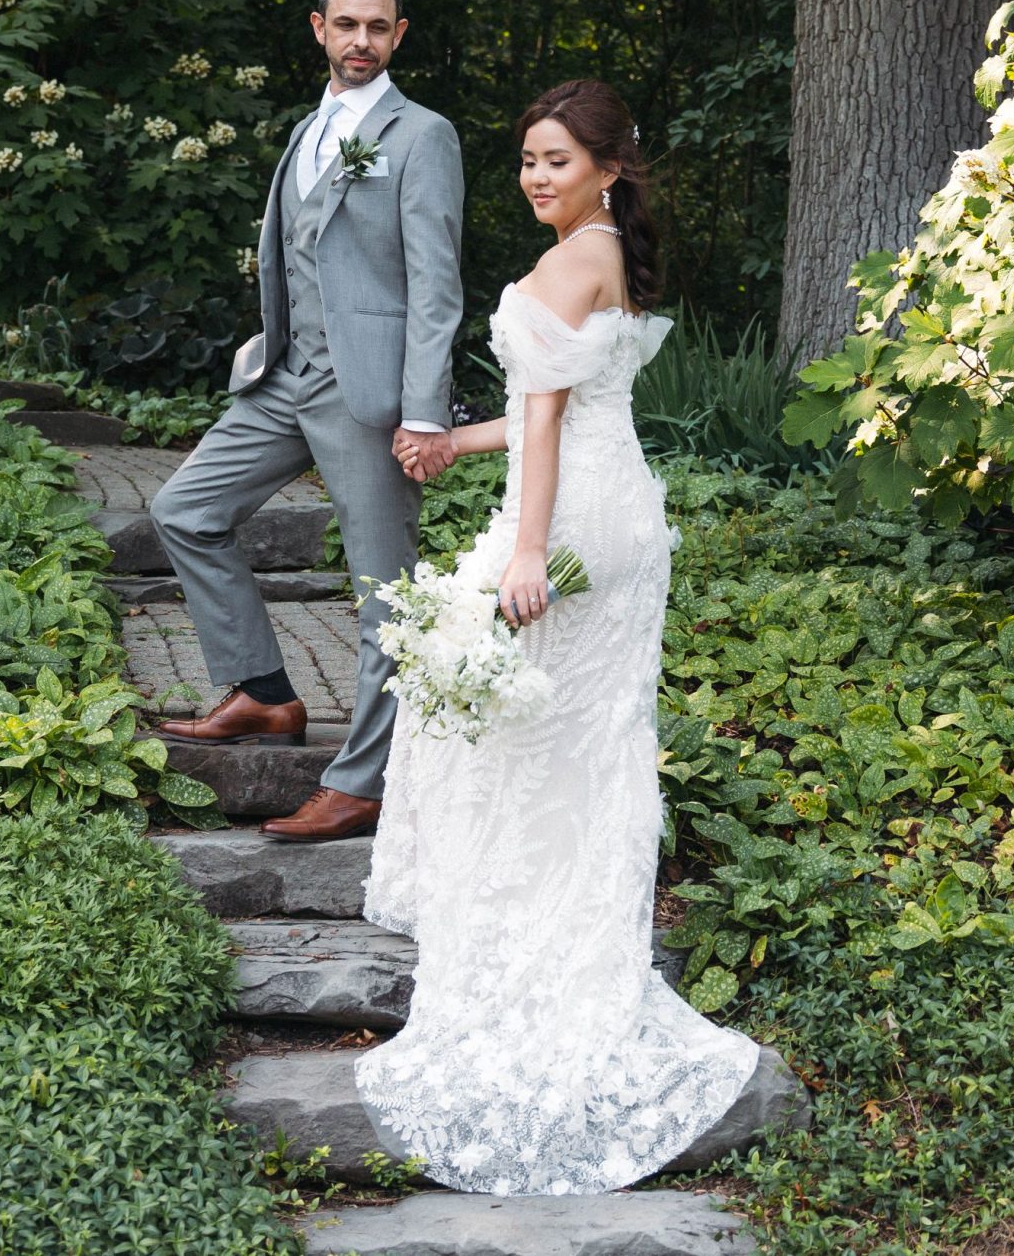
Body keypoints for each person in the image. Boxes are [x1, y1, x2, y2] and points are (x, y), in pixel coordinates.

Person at [359, 78, 757, 1194]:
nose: (536, 177)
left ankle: (520, 951)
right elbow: (560, 406)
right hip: (622, 510)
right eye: (527, 159)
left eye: (555, 161)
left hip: (571, 524)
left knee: (507, 729)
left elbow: (543, 418)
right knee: (577, 736)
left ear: (607, 166)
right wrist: (456, 447)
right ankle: (563, 929)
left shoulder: (566, 262)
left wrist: (522, 551)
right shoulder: (607, 255)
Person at [149, 0, 465, 842]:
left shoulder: (422, 135)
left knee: (383, 595)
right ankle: (263, 690)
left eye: (378, 26)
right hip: (285, 378)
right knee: (184, 509)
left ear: (398, 36)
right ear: (317, 29)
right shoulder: (308, 129)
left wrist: (424, 409)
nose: (360, 40)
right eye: (345, 24)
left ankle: (362, 779)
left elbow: (438, 286)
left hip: (367, 394)